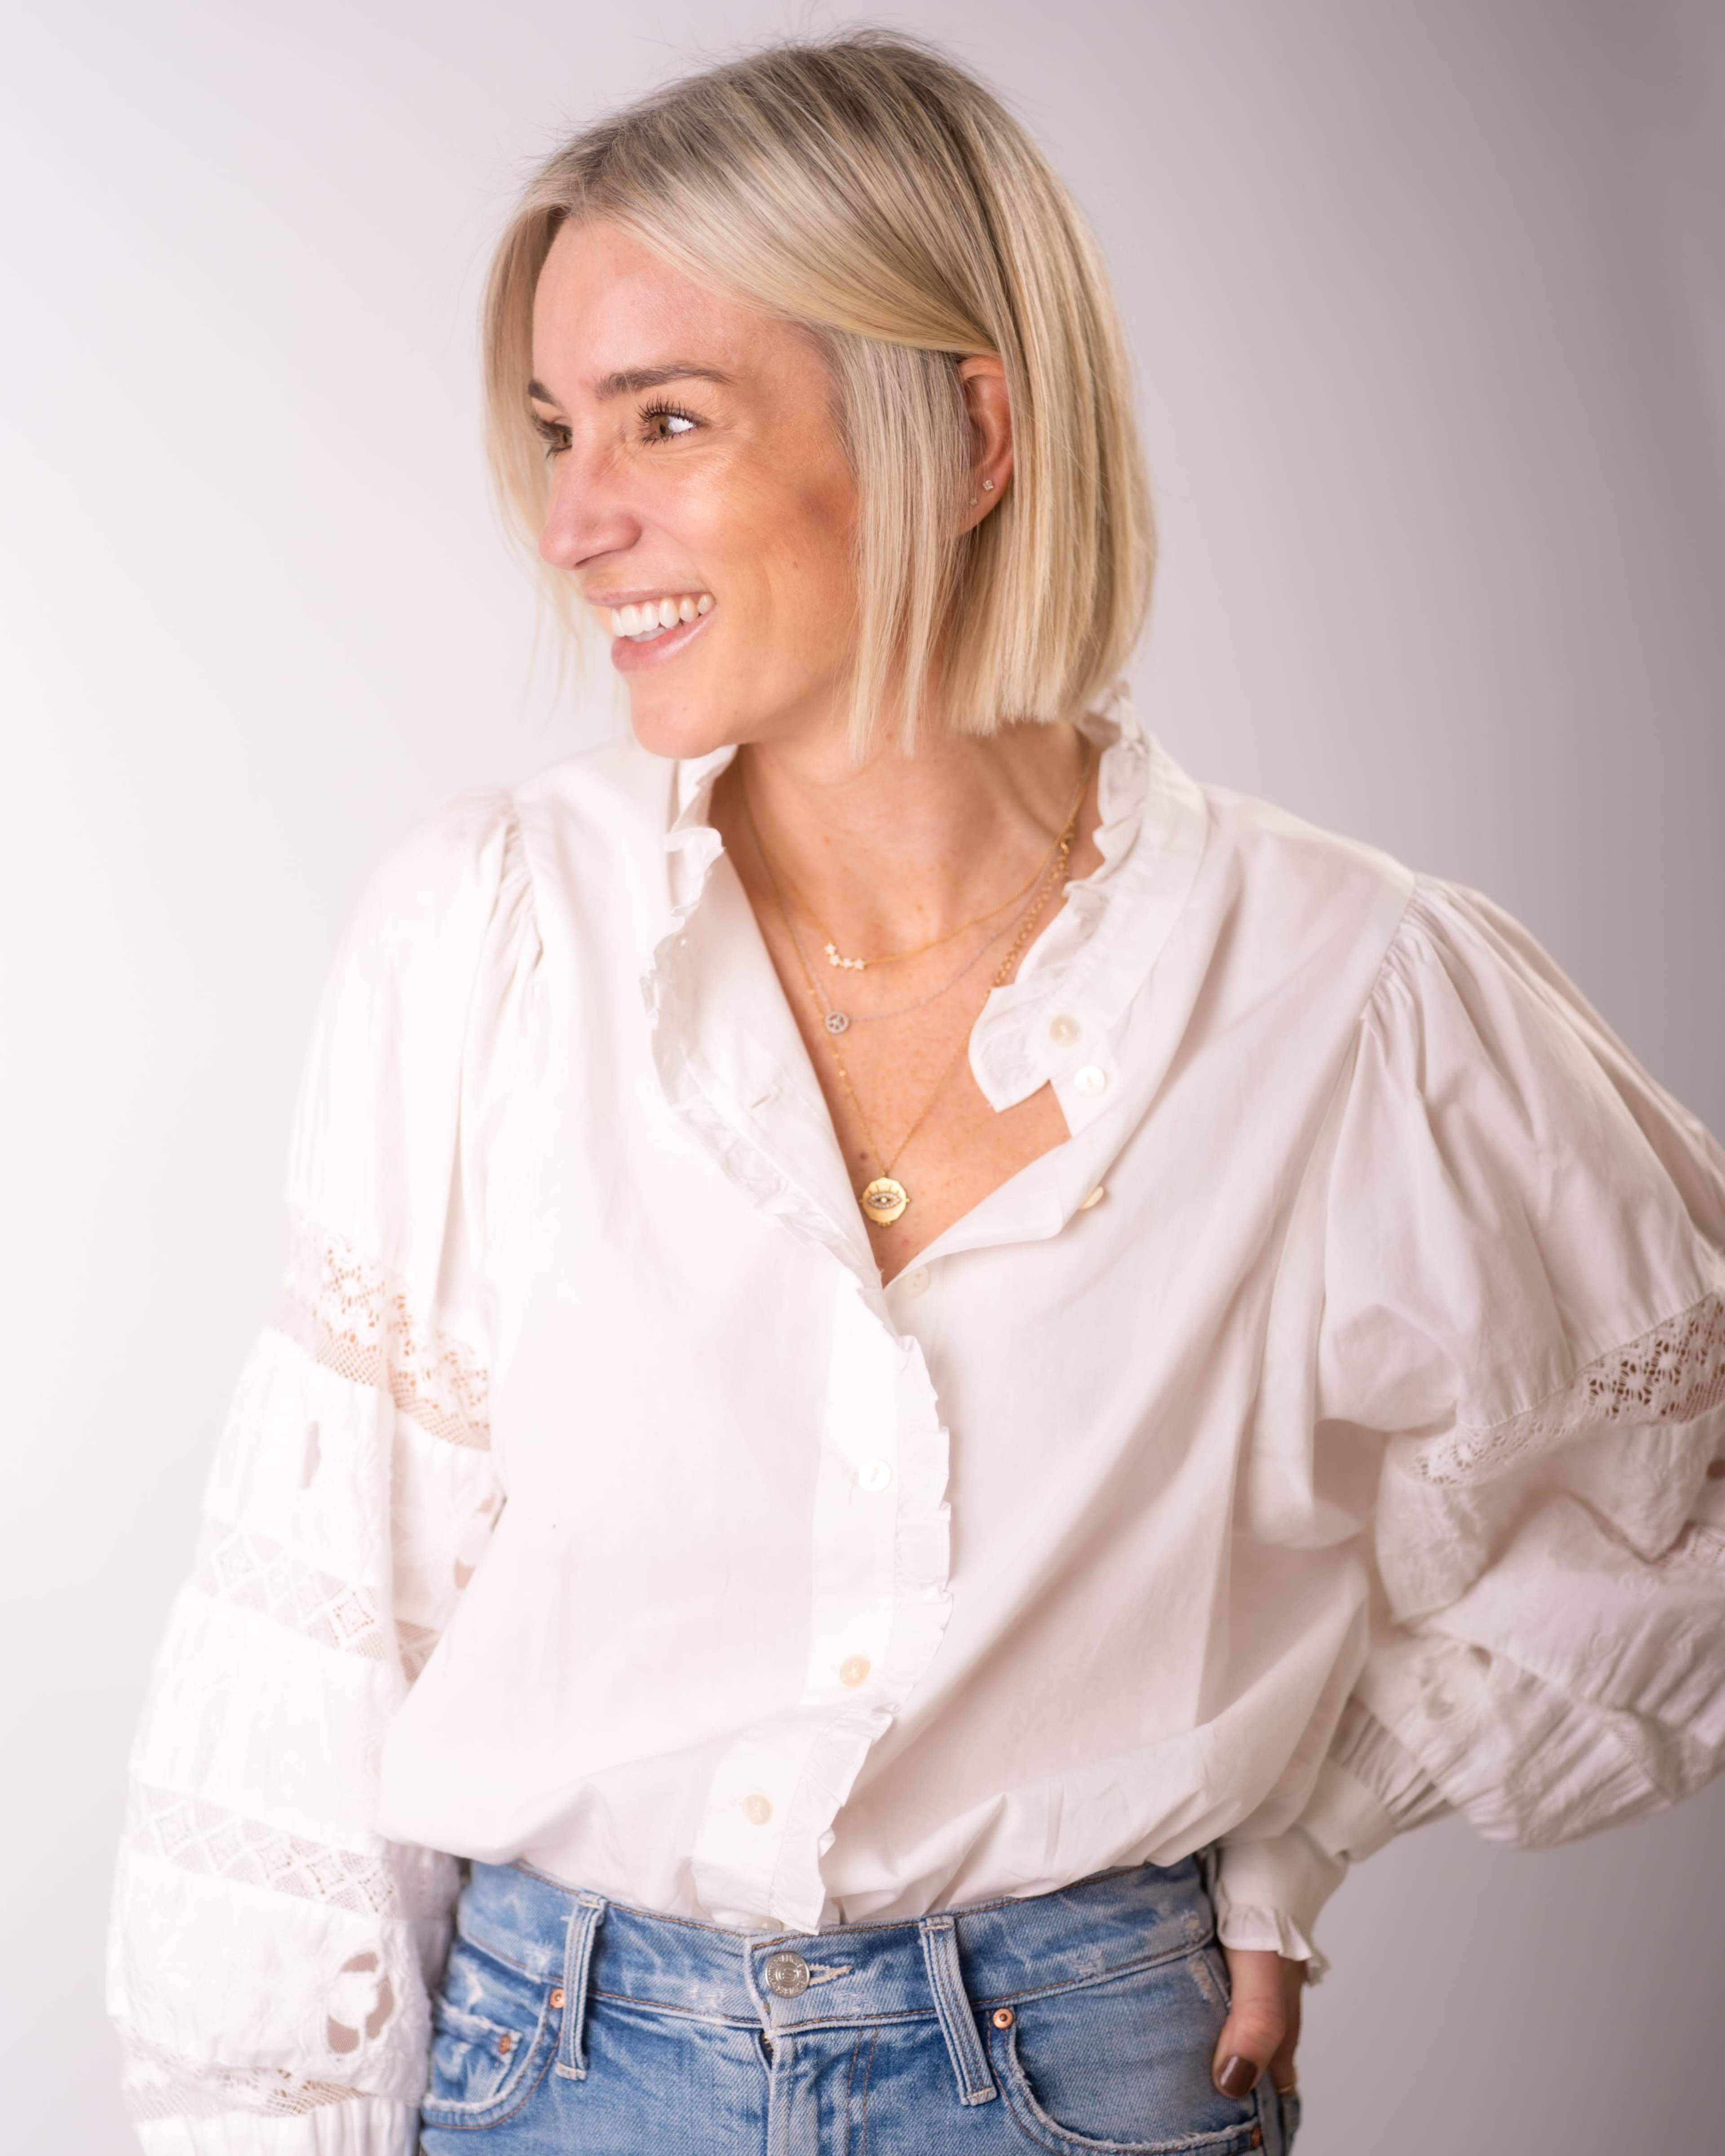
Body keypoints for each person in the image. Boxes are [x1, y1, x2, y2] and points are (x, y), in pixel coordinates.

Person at [107, 31, 1725, 2156]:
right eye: (556, 430)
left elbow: (1670, 1500)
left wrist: (1305, 1841)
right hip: (547, 2072)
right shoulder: (492, 939)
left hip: (1082, 2075)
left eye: (665, 420)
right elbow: (313, 1661)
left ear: (964, 429)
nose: (577, 521)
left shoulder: (1353, 994)